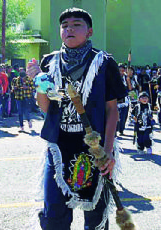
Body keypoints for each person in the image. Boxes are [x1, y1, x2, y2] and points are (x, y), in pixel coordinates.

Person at [26, 8, 127, 229]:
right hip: (59, 147)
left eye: (76, 24)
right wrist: (39, 81)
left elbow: (112, 110)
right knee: (54, 214)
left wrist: (108, 151)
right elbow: (45, 108)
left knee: (96, 217)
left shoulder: (104, 62)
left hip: (95, 148)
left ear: (89, 31)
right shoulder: (49, 62)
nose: (69, 29)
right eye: (64, 26)